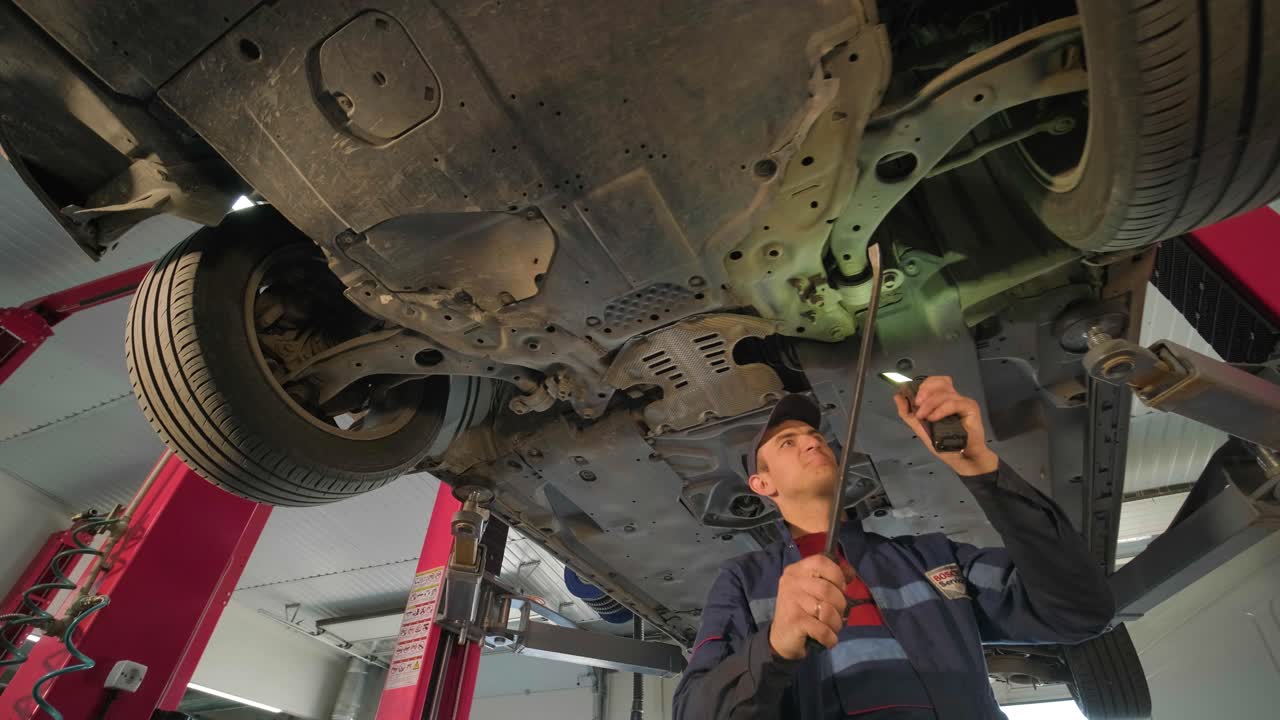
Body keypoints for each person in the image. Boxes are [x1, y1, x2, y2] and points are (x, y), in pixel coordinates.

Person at [672, 376, 1114, 719]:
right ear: (762, 485)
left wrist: (980, 466)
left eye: (816, 435)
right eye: (788, 442)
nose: (812, 440)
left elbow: (1079, 611)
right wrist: (774, 646)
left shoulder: (933, 558)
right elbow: (694, 711)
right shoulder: (743, 581)